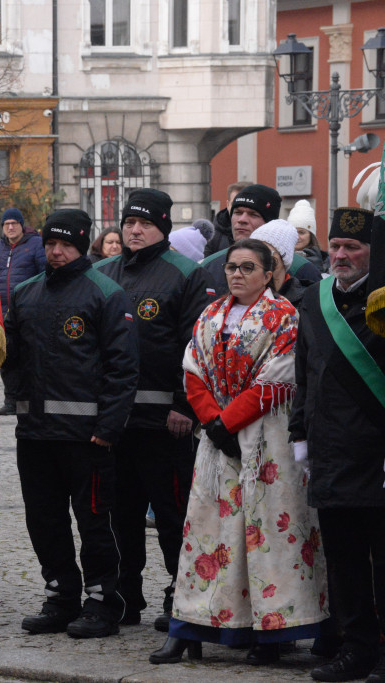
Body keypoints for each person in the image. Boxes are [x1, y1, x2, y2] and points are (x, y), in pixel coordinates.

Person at [151, 238, 328, 666]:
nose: (237, 274)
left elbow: (279, 378)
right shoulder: (210, 314)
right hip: (217, 444)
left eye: (248, 268)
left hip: (265, 440)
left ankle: (273, 632)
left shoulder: (284, 316)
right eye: (232, 267)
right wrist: (212, 420)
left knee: (269, 533)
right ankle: (189, 625)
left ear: (270, 274)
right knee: (209, 532)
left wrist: (227, 422)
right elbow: (193, 368)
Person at [6, 209, 139, 639]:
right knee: (44, 519)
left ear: (82, 245)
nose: (56, 252)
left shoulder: (106, 293)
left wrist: (110, 426)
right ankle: (61, 594)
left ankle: (103, 600)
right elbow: (10, 354)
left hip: (88, 437)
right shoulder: (25, 293)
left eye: (64, 245)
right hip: (35, 433)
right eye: (49, 244)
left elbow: (123, 368)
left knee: (94, 521)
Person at [96, 188, 216, 632]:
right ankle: (124, 595)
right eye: (129, 222)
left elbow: (197, 345)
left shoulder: (186, 274)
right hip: (114, 424)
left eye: (145, 223)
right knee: (120, 516)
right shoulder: (102, 271)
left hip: (165, 424)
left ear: (163, 227)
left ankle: (180, 595)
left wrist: (185, 405)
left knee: (173, 516)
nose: (134, 230)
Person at [290, 207, 385, 682]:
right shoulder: (314, 299)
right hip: (328, 451)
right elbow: (303, 375)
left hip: (377, 452)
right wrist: (299, 437)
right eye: (336, 247)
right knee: (344, 561)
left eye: (354, 247)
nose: (341, 255)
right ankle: (356, 648)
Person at [202, 184, 322, 296]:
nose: (241, 220)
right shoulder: (210, 266)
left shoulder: (302, 269)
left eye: (253, 214)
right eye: (237, 212)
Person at [0, 207, 46, 415]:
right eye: (7, 224)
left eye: (14, 223)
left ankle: (29, 401)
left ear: (21, 226)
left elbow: (44, 274)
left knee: (28, 359)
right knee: (6, 359)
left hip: (28, 312)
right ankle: (11, 401)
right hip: (2, 313)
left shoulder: (35, 244)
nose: (11, 227)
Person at [250, 219, 307, 306]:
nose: (255, 258)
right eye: (251, 251)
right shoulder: (240, 294)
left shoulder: (305, 301)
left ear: (283, 259)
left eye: (265, 252)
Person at [205, 180, 251, 258]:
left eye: (246, 204)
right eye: (235, 203)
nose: (240, 208)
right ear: (228, 204)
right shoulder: (212, 236)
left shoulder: (265, 232)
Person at [287, 199, 327, 273]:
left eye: (301, 232)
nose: (297, 237)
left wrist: (318, 270)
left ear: (311, 235)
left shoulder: (325, 260)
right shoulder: (281, 257)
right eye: (293, 232)